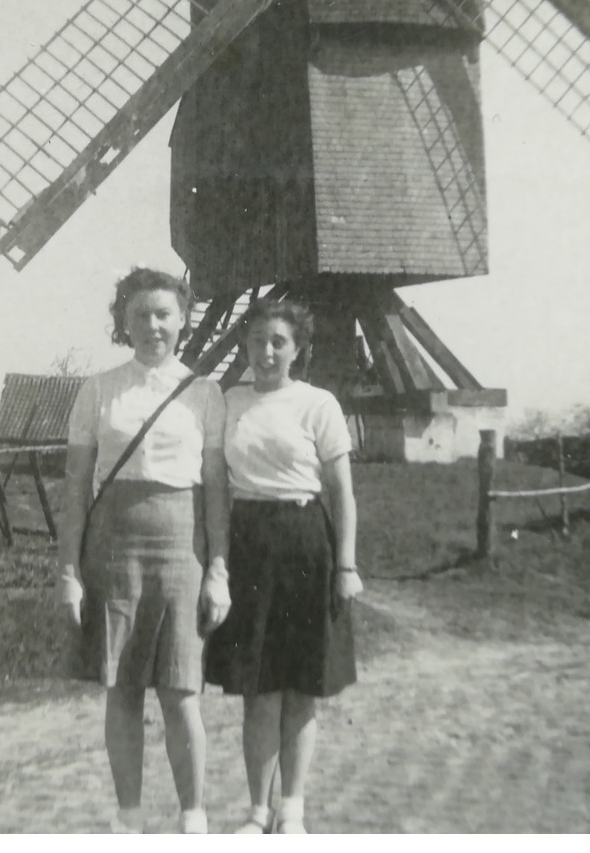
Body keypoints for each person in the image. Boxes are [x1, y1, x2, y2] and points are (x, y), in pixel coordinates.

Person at [58, 267, 231, 834]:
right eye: (140, 315)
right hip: (113, 548)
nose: (153, 326)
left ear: (183, 320)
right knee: (123, 689)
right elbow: (76, 488)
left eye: (164, 314)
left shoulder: (206, 393)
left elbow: (215, 493)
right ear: (123, 323)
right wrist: (69, 571)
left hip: (182, 548)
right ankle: (128, 822)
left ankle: (193, 819)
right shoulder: (99, 390)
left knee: (182, 691)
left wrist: (219, 572)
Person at [205, 298, 362, 834]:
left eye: (279, 342)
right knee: (258, 689)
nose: (266, 352)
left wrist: (346, 565)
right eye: (257, 341)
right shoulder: (229, 401)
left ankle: (291, 811)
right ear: (245, 346)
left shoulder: (318, 404)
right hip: (250, 543)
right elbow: (218, 489)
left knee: (301, 686)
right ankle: (257, 811)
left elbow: (341, 492)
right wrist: (220, 565)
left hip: (305, 544)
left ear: (298, 349)